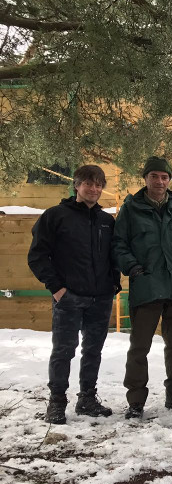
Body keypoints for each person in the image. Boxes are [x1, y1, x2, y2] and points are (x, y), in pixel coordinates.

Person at [28, 165, 120, 424]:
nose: (94, 189)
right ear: (77, 186)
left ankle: (87, 399)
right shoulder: (56, 216)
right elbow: (37, 256)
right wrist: (56, 288)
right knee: (64, 351)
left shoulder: (106, 220)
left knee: (93, 350)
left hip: (100, 297)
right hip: (68, 297)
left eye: (99, 185)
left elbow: (112, 256)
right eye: (88, 184)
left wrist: (113, 283)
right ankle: (56, 402)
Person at [113, 156, 172, 419]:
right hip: (147, 286)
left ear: (169, 180)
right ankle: (136, 401)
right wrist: (133, 268)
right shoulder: (132, 207)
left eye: (164, 177)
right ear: (146, 178)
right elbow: (119, 244)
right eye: (154, 176)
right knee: (139, 347)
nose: (160, 181)